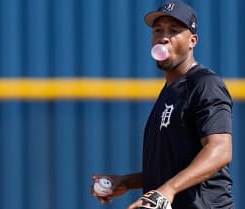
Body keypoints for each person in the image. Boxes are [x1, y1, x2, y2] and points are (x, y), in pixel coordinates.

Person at [91, 1, 235, 208]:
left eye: (174, 31)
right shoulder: (169, 92)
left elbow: (220, 150)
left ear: (192, 41)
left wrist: (168, 189)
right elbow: (172, 167)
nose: (163, 37)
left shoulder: (204, 84)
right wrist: (126, 182)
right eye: (158, 30)